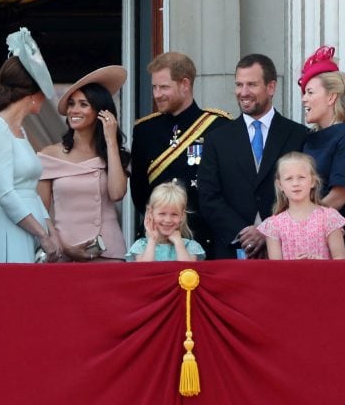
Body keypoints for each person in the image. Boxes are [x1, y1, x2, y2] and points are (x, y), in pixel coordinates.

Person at [199, 54, 308, 259]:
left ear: (271, 87)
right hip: (231, 251)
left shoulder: (298, 135)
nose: (243, 92)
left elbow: (305, 193)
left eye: (251, 85)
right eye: (239, 85)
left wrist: (268, 229)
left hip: (288, 250)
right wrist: (242, 232)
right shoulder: (217, 139)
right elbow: (208, 196)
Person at [130, 52, 230, 259]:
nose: (157, 94)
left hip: (203, 238)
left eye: (164, 87)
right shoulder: (144, 130)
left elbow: (226, 189)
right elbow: (140, 193)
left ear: (185, 84)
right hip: (157, 240)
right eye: (154, 87)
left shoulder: (219, 127)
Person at [0, 27, 62, 263]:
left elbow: (30, 192)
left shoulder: (21, 130)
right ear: (32, 94)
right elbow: (5, 193)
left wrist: (50, 230)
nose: (46, 99)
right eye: (43, 92)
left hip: (31, 228)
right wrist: (41, 233)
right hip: (8, 229)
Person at [37, 66, 130, 262]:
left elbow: (117, 193)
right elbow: (40, 212)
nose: (74, 110)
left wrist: (111, 140)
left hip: (108, 253)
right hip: (64, 253)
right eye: (71, 104)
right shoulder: (50, 155)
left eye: (83, 104)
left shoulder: (113, 154)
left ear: (100, 112)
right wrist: (63, 246)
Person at [260, 152, 345, 259]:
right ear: (280, 185)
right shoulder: (273, 225)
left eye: (301, 177)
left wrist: (322, 263)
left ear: (313, 181)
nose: (295, 183)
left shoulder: (329, 217)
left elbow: (340, 262)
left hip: (324, 275)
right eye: (289, 178)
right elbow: (276, 269)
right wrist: (296, 267)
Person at [298, 45, 345, 216]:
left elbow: (339, 196)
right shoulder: (308, 137)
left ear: (331, 97)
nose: (304, 99)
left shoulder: (342, 135)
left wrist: (301, 222)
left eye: (310, 92)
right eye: (304, 93)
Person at [126, 181, 205, 262]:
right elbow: (144, 271)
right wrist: (152, 240)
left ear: (182, 216)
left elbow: (188, 271)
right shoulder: (141, 246)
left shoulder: (190, 247)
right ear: (150, 213)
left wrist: (178, 243)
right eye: (162, 213)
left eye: (174, 214)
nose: (168, 220)